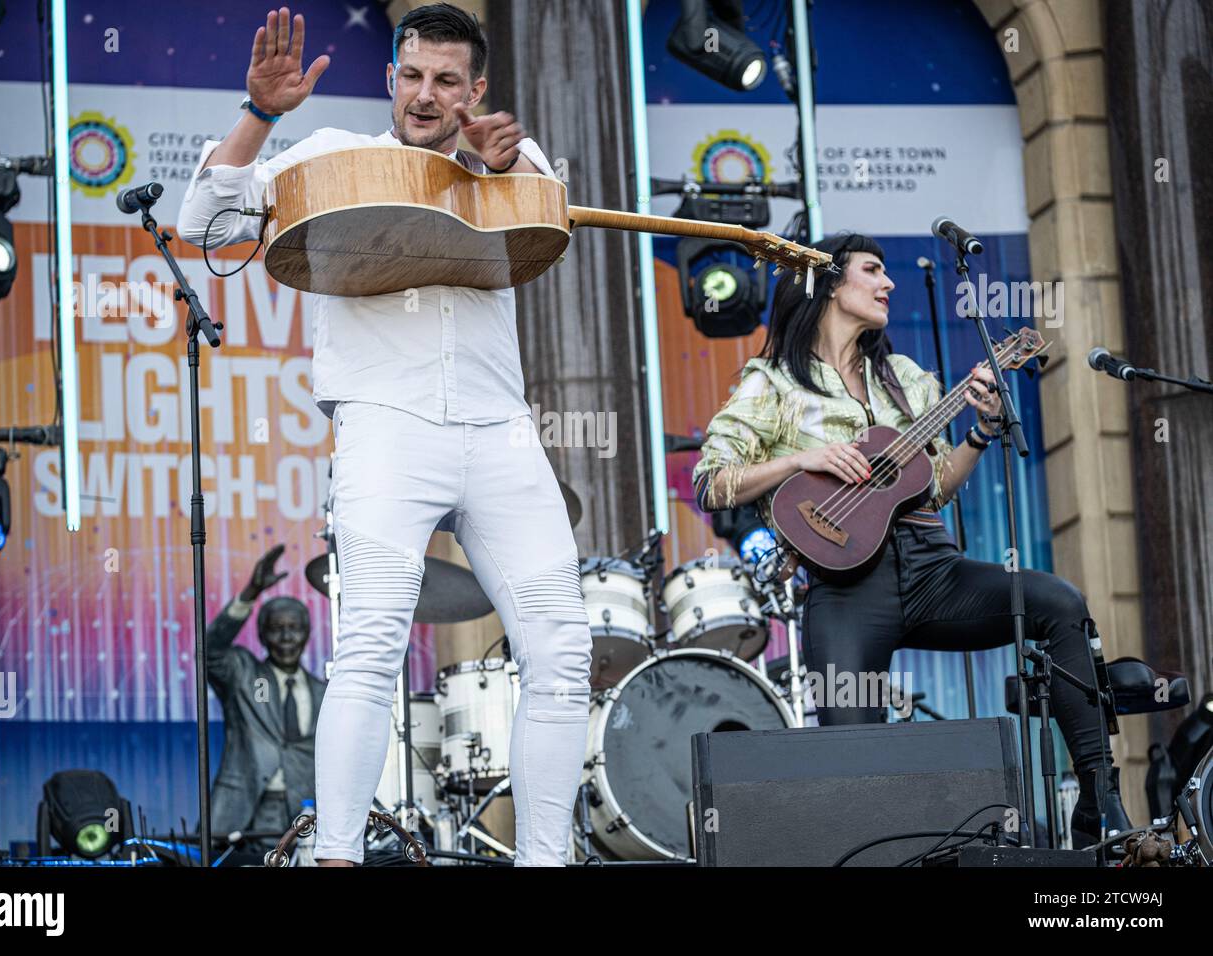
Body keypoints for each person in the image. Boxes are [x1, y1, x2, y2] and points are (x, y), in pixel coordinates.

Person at [177, 5, 591, 866]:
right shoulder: (334, 157)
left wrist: (498, 162)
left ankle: (546, 860)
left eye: (448, 80)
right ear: (391, 77)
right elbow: (207, 224)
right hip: (383, 424)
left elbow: (547, 207)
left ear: (476, 90)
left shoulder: (514, 163)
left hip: (500, 427)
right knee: (368, 651)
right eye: (412, 75)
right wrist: (259, 116)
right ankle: (336, 856)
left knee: (562, 650)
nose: (426, 95)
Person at [691, 232, 1131, 850]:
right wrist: (803, 460)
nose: (888, 282)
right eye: (871, 270)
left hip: (932, 569)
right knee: (854, 760)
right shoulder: (773, 384)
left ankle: (1099, 799)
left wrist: (979, 433)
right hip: (846, 590)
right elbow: (711, 483)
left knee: (1059, 602)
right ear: (829, 283)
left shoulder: (906, 379)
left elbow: (935, 486)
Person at [206, 543, 325, 852]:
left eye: (295, 629)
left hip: (305, 818)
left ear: (307, 634)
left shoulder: (324, 692)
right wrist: (251, 592)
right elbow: (209, 651)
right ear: (261, 635)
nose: (286, 638)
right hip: (244, 816)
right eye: (276, 629)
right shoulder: (243, 674)